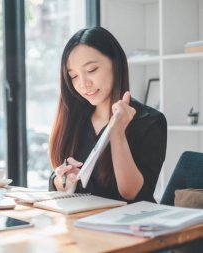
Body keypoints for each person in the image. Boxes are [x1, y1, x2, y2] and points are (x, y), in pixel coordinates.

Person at [48, 27, 167, 203]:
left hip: (125, 226)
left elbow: (132, 194)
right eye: (73, 76)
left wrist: (117, 134)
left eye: (91, 70)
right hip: (79, 224)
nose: (83, 84)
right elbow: (59, 186)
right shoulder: (76, 119)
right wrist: (62, 180)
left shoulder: (149, 121)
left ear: (115, 63)